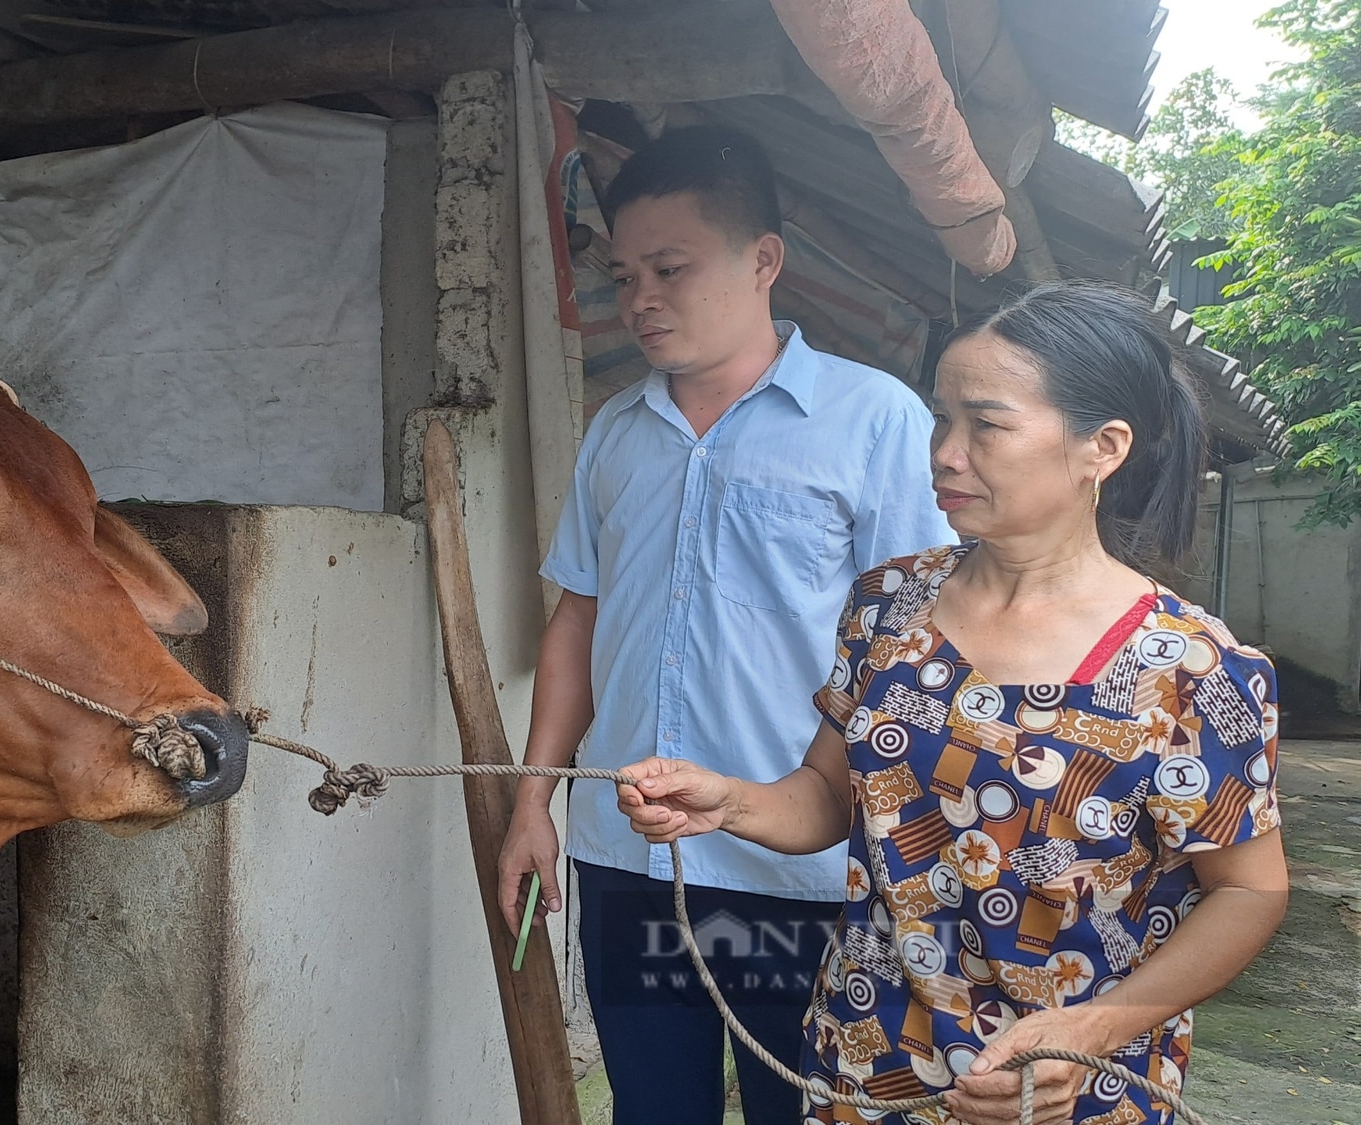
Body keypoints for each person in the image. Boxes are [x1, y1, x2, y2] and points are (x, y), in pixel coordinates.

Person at [616, 280, 1290, 1125]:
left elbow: (1250, 892)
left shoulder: (1193, 666)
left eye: (988, 423)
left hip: (1068, 1087)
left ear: (1102, 447)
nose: (946, 451)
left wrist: (1094, 1028)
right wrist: (729, 802)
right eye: (942, 419)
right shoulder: (888, 605)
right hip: (867, 1063)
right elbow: (829, 796)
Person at [496, 126, 955, 1125]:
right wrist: (533, 801)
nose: (641, 297)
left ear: (762, 261)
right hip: (631, 859)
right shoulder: (614, 432)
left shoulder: (872, 422)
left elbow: (913, 650)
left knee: (811, 1109)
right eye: (623, 275)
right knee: (654, 1108)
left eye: (669, 267)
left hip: (801, 867)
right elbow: (576, 618)